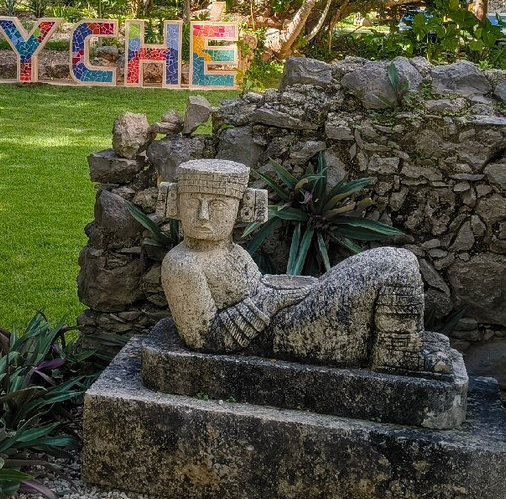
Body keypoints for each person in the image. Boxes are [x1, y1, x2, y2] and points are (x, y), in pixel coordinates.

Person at [160, 159, 453, 376]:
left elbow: (259, 286)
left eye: (218, 206)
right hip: (281, 333)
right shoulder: (182, 264)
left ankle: (400, 347)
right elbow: (204, 338)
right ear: (174, 202)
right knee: (396, 266)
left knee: (395, 261)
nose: (203, 216)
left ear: (243, 210)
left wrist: (292, 289)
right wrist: (271, 300)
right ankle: (397, 356)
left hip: (287, 316)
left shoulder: (230, 250)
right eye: (192, 204)